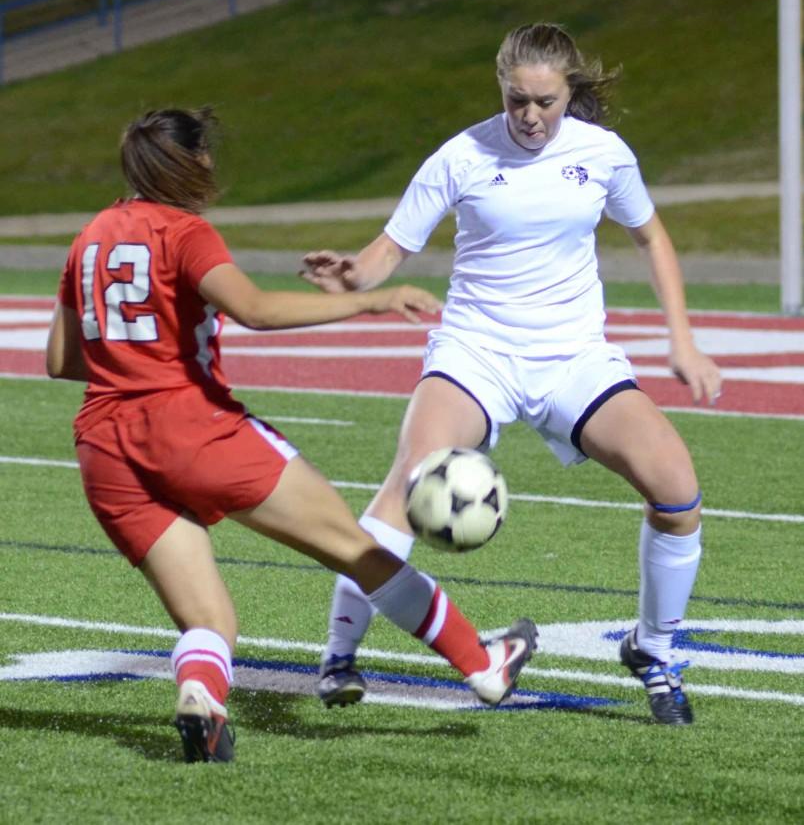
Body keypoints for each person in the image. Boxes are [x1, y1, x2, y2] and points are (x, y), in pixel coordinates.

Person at [45, 107, 538, 764]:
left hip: (105, 449)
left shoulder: (91, 236)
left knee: (210, 622)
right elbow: (254, 309)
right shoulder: (186, 233)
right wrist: (371, 299)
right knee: (355, 549)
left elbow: (60, 358)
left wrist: (137, 355)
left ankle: (201, 698)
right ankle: (481, 663)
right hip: (191, 429)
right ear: (193, 163)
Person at [302, 23, 723, 727]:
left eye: (545, 102)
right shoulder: (461, 156)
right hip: (478, 352)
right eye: (516, 99)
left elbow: (651, 235)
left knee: (677, 492)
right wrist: (352, 275)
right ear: (501, 88)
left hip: (574, 358)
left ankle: (652, 650)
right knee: (414, 477)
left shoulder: (603, 155)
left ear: (570, 93)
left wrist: (683, 340)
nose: (530, 116)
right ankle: (339, 656)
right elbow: (387, 251)